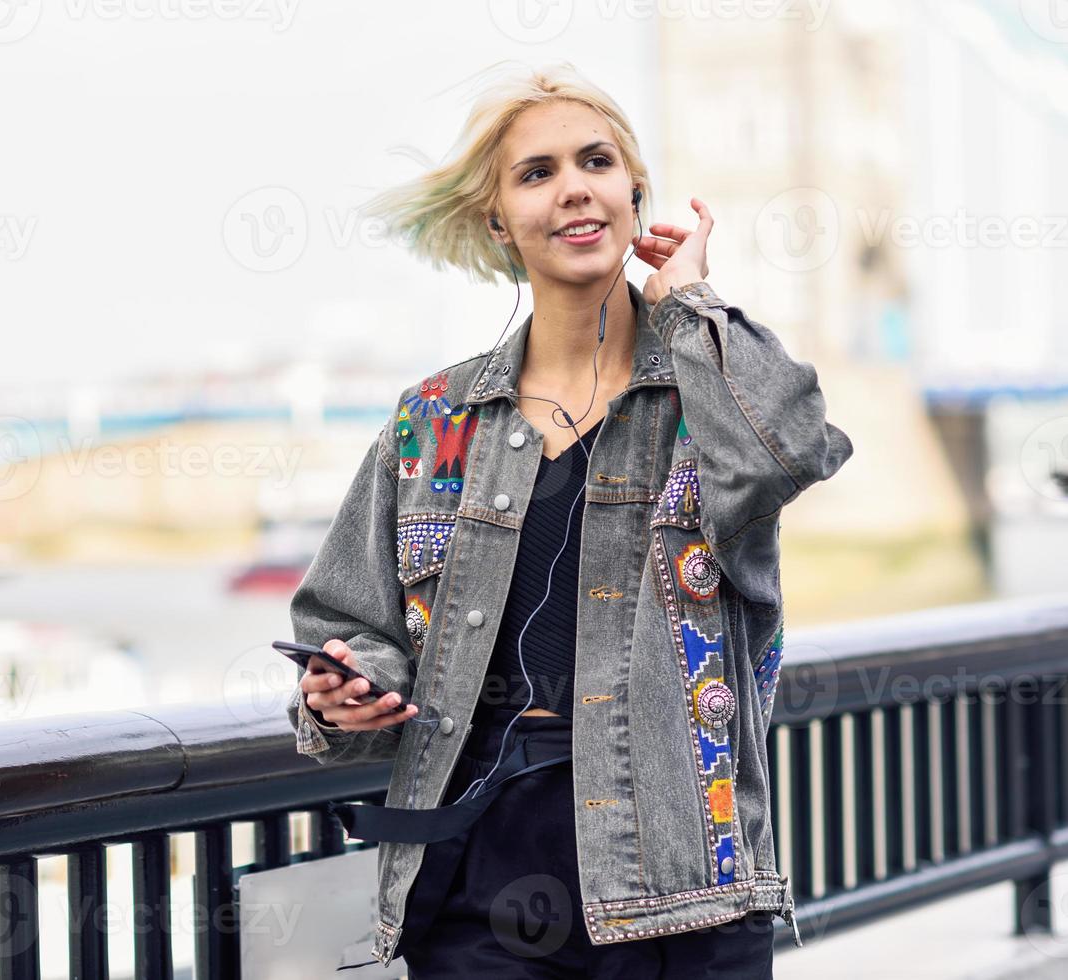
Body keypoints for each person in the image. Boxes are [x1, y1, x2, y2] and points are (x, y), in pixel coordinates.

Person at [288, 61, 852, 978]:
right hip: (477, 871)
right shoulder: (431, 422)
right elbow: (351, 624)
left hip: (680, 888)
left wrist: (688, 301)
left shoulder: (705, 399)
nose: (573, 189)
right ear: (496, 220)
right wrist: (351, 688)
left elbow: (790, 449)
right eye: (535, 173)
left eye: (596, 161)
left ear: (636, 194)